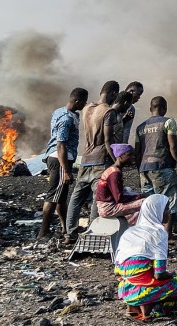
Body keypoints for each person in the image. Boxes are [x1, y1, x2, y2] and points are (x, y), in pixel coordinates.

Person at [65, 80, 120, 243]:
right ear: (114, 94)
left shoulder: (87, 108)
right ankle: (91, 233)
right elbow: (108, 140)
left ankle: (70, 233)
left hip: (85, 158)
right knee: (98, 197)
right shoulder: (108, 112)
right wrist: (116, 161)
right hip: (100, 159)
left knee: (76, 197)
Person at [38, 88, 88, 239]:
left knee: (61, 196)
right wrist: (66, 170)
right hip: (60, 159)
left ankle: (65, 227)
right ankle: (43, 232)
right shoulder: (66, 119)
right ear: (77, 101)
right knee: (53, 195)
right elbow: (61, 145)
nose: (85, 104)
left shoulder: (60, 111)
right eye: (84, 102)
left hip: (58, 158)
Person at [134, 96, 177, 231]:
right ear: (164, 108)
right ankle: (166, 237)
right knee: (168, 203)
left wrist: (140, 170)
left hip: (144, 169)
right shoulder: (168, 122)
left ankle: (151, 234)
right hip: (163, 167)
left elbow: (137, 152)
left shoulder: (140, 127)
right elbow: (173, 146)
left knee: (150, 205)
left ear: (150, 109)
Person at [95, 144, 145, 225]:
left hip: (105, 205)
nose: (133, 157)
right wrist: (141, 196)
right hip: (108, 208)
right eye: (129, 155)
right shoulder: (114, 173)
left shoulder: (112, 169)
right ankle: (134, 227)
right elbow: (119, 198)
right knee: (145, 202)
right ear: (120, 156)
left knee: (131, 193)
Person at [121, 81, 144, 145]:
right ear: (131, 91)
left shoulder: (131, 109)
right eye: (138, 94)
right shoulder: (114, 103)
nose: (139, 98)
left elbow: (126, 130)